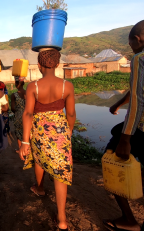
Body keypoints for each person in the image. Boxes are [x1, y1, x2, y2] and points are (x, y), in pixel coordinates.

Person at [19, 48, 76, 231]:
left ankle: (40, 188)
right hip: (60, 130)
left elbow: (28, 113)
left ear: (39, 64)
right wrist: (68, 133)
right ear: (58, 64)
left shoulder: (33, 86)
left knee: (39, 159)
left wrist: (25, 142)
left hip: (39, 130)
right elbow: (72, 114)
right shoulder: (67, 86)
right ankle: (62, 219)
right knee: (60, 173)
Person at [102, 20, 144, 231]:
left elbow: (138, 98)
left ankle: (129, 220)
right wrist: (118, 102)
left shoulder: (139, 58)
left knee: (111, 157)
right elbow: (137, 90)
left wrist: (126, 138)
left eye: (130, 46)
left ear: (138, 39)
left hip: (140, 128)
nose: (131, 50)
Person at [10, 76, 26, 153]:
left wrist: (17, 112)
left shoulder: (14, 95)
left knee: (18, 132)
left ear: (16, 84)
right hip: (28, 115)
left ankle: (20, 149)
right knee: (28, 131)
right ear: (24, 83)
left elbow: (12, 108)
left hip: (18, 116)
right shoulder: (28, 93)